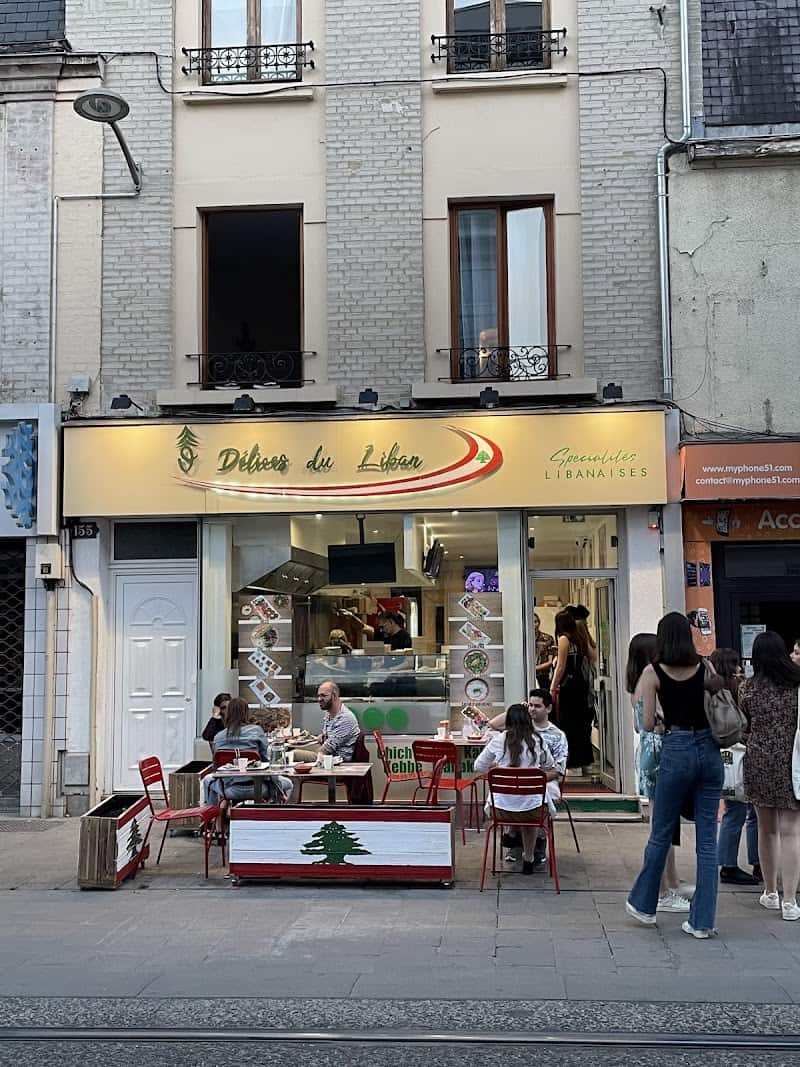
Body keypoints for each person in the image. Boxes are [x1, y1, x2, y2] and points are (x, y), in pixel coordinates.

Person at [626, 612, 724, 939]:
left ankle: (644, 904)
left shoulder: (653, 672)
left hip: (677, 747)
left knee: (662, 830)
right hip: (709, 750)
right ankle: (702, 922)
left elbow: (647, 723)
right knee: (707, 840)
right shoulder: (705, 666)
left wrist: (666, 724)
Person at [626, 633, 693, 914]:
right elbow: (654, 720)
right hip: (660, 751)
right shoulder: (651, 680)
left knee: (664, 822)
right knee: (661, 824)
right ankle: (662, 891)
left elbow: (637, 725)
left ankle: (672, 881)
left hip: (649, 751)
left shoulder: (636, 683)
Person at [740, 631, 800, 921]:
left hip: (759, 761)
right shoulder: (796, 686)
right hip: (792, 763)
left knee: (766, 830)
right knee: (792, 832)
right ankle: (790, 900)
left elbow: (744, 724)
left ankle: (770, 891)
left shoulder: (748, 689)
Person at [474, 702, 559, 874]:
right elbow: (550, 766)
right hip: (533, 811)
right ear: (529, 721)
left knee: (515, 801)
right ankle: (529, 858)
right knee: (530, 810)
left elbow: (478, 766)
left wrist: (495, 766)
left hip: (500, 811)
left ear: (508, 722)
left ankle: (510, 834)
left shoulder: (498, 740)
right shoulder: (538, 741)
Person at [711, 647, 760, 886]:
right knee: (743, 811)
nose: (741, 668)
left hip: (723, 756)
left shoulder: (713, 689)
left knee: (740, 811)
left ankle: (734, 863)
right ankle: (734, 864)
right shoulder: (735, 689)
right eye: (737, 664)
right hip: (738, 754)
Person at [205, 697, 292, 805]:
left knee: (207, 781)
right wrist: (277, 787)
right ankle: (274, 814)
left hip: (230, 790)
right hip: (259, 788)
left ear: (228, 713)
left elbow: (216, 768)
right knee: (288, 784)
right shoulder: (256, 731)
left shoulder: (218, 737)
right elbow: (266, 762)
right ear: (246, 713)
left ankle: (214, 815)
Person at [551, 609, 596, 775]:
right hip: (582, 687)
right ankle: (586, 762)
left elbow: (561, 666)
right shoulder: (580, 639)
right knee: (583, 726)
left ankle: (573, 764)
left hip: (569, 688)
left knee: (568, 725)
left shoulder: (564, 639)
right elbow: (594, 657)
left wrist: (553, 686)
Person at [292, 680, 361, 763]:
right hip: (327, 756)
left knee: (294, 754)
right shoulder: (329, 715)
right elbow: (326, 740)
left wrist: (304, 748)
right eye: (318, 696)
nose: (319, 699)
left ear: (334, 696)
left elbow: (326, 750)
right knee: (290, 749)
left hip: (335, 761)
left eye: (323, 696)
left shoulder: (345, 718)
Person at [534, 614, 556, 685]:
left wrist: (535, 668)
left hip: (543, 676)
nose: (534, 625)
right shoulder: (523, 640)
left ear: (539, 623)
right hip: (525, 675)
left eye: (535, 621)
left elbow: (550, 662)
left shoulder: (547, 639)